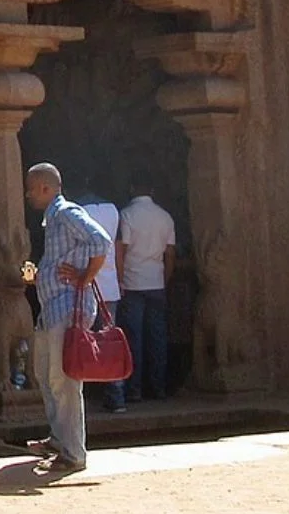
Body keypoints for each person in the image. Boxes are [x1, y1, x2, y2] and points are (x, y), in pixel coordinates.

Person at [22, 163, 111, 474]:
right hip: (51, 309)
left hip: (68, 308)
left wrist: (86, 276)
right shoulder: (52, 221)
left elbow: (101, 241)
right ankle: (59, 440)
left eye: (32, 188)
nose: (28, 195)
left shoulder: (67, 213)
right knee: (46, 375)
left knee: (64, 380)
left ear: (46, 188)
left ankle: (74, 453)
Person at [115, 175, 177, 404]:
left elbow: (121, 251)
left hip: (133, 283)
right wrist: (165, 279)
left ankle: (134, 389)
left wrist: (120, 280)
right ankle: (159, 387)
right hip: (156, 282)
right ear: (152, 189)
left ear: (131, 188)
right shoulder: (165, 217)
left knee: (133, 339)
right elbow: (170, 254)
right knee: (158, 337)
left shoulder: (127, 215)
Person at [71, 178, 125, 413]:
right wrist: (120, 278)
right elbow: (119, 246)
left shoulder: (76, 211)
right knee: (110, 339)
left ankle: (79, 395)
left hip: (85, 284)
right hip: (110, 283)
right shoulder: (113, 209)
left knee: (79, 340)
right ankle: (116, 394)